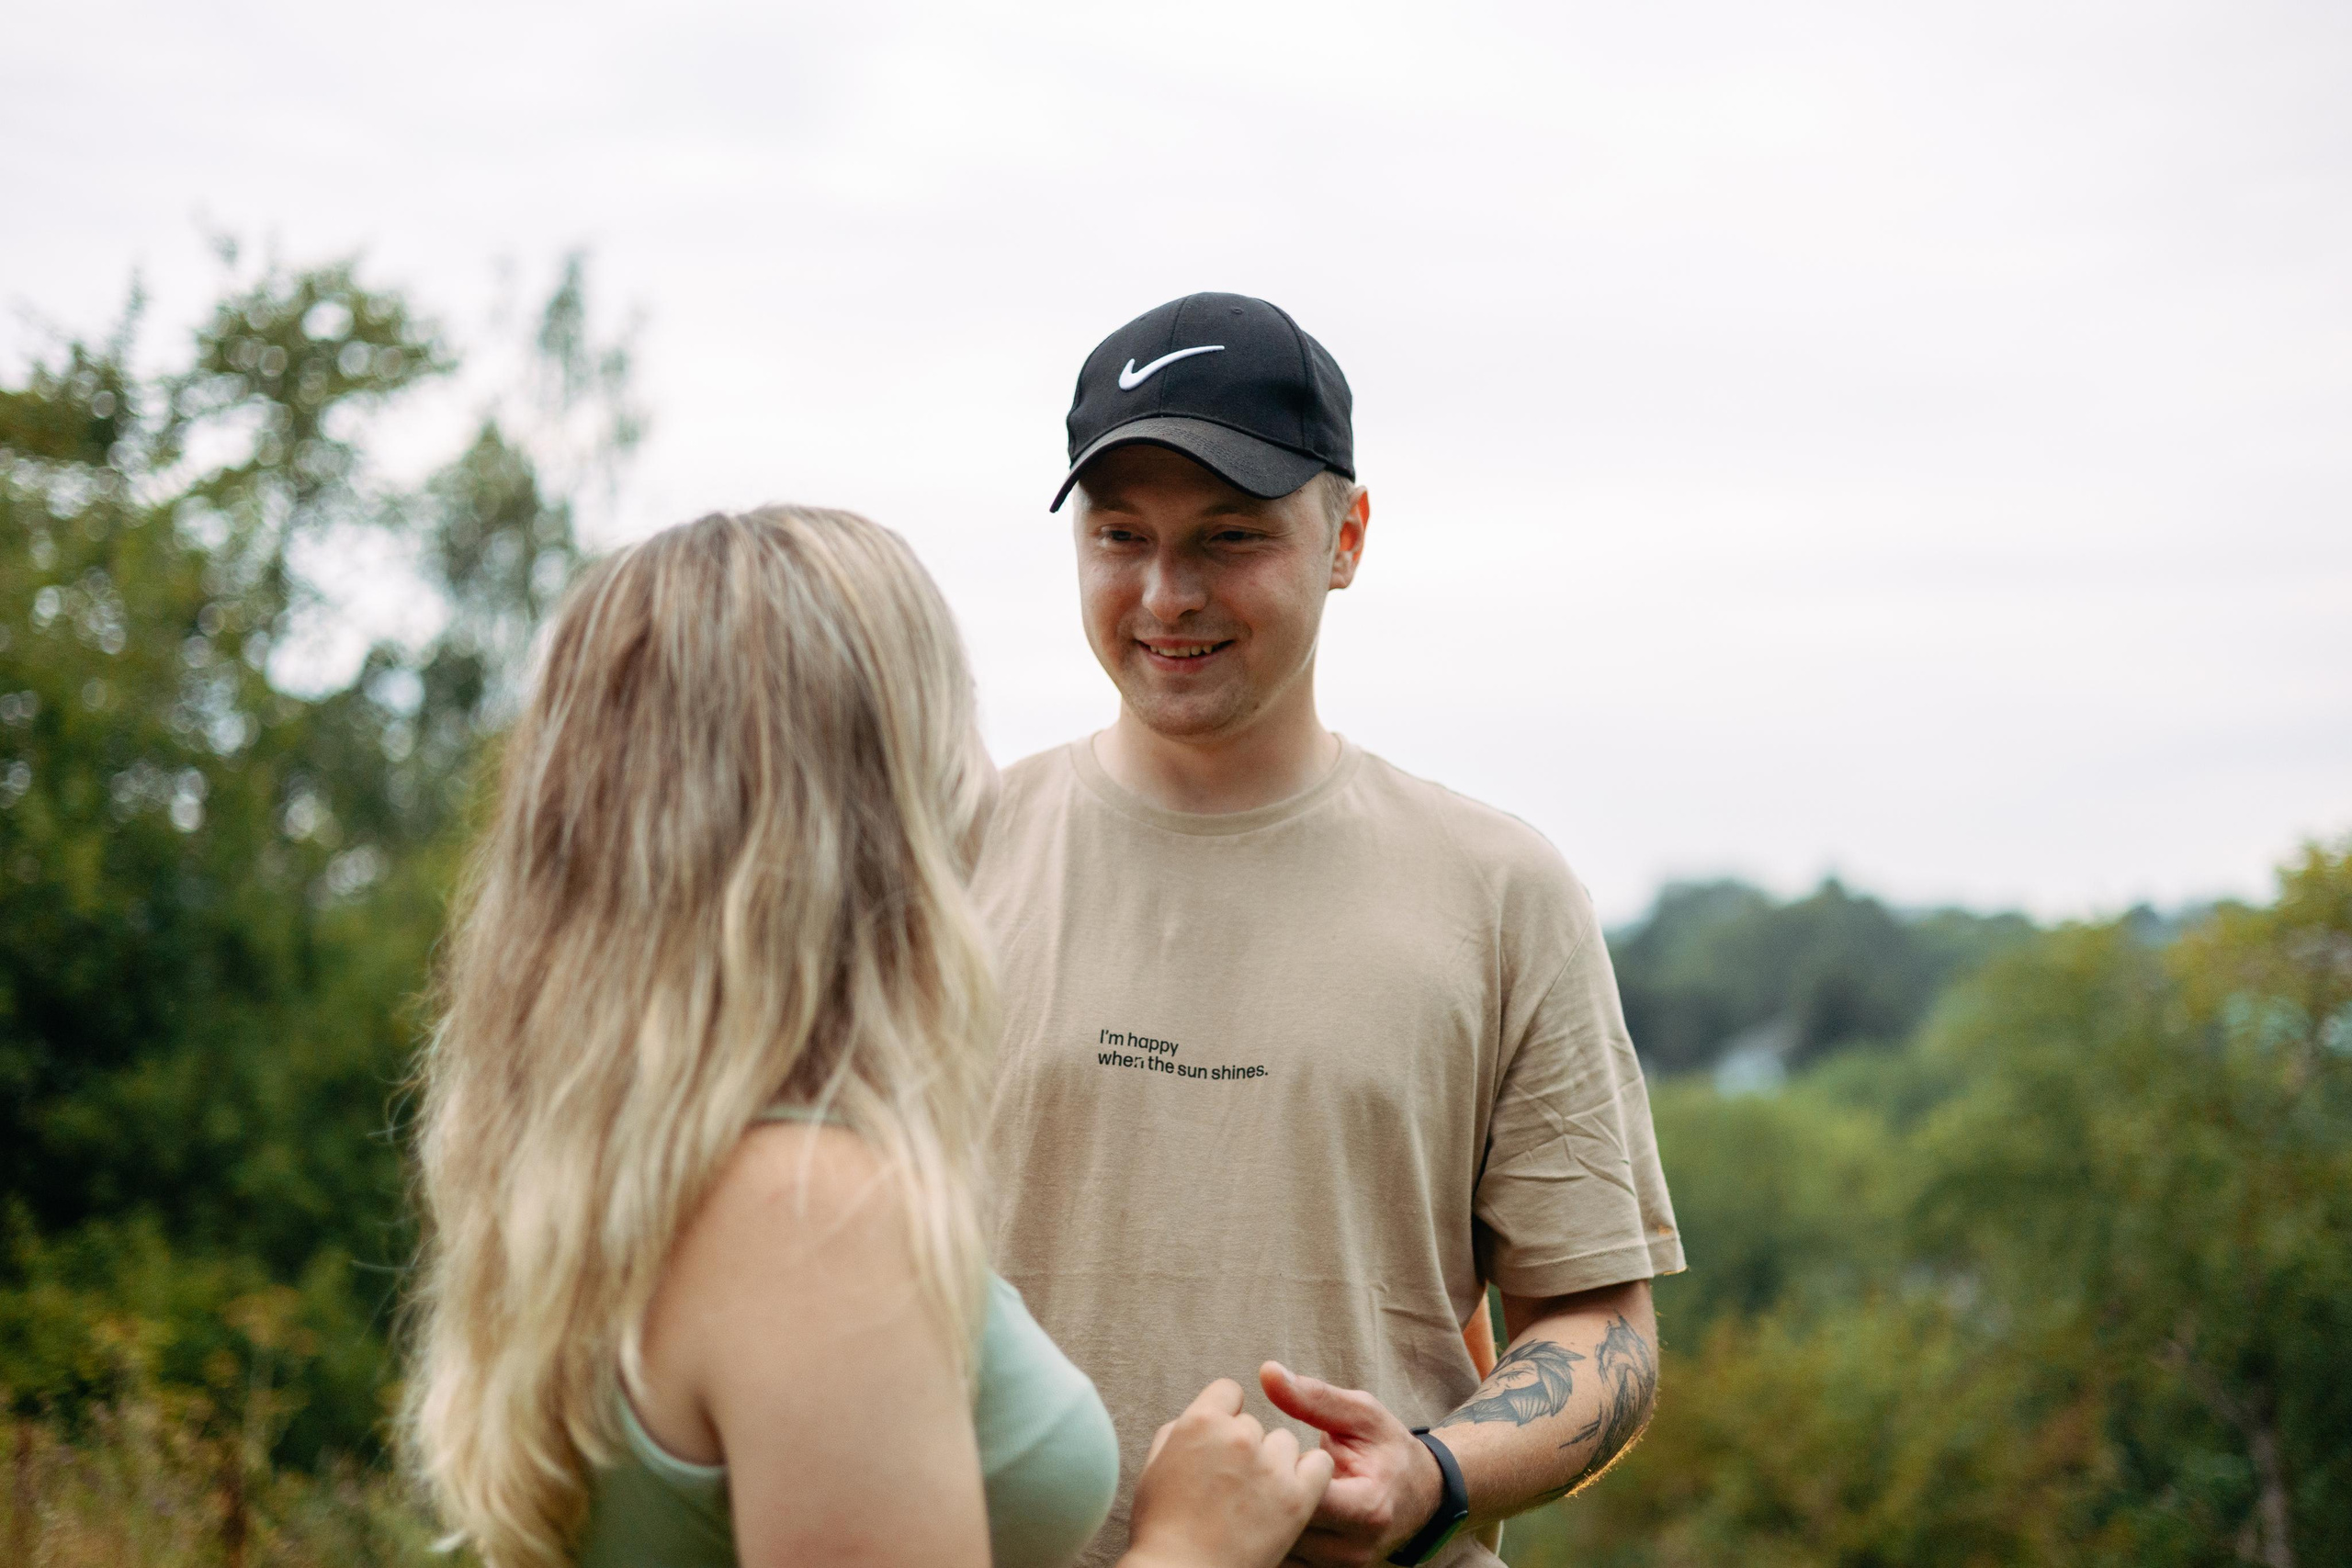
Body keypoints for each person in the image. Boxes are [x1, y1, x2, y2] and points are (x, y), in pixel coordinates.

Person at [401, 506, 1333, 1568]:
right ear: (874, 787)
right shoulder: (809, 1215)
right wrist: (1196, 1545)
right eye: (954, 711)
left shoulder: (609, 1162)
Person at [975, 295, 1687, 1568]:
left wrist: (1437, 1472)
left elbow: (1600, 1327)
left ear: (1347, 534)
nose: (1164, 592)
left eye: (1230, 537)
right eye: (1119, 533)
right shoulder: (945, 856)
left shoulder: (1500, 886)